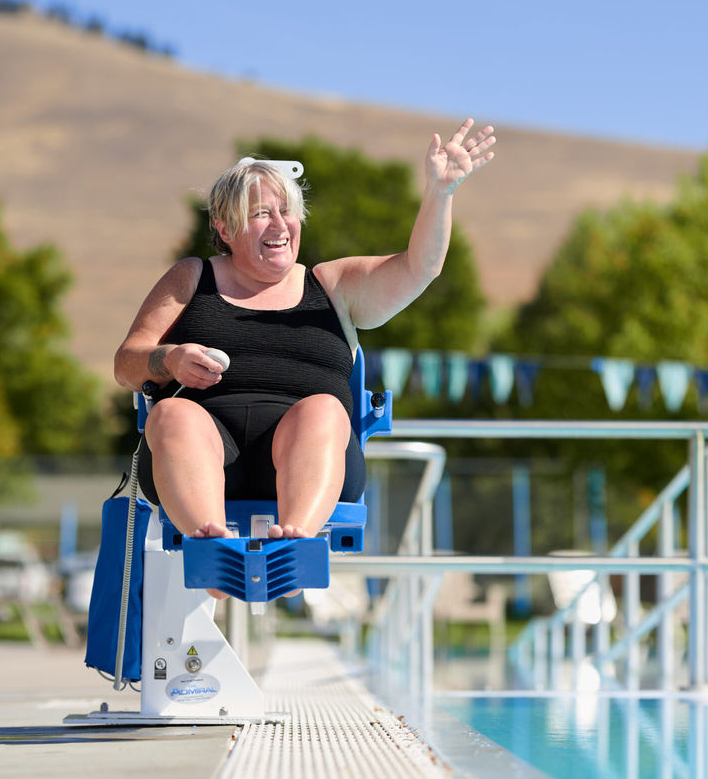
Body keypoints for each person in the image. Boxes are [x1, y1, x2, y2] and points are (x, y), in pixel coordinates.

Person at [115, 119, 495, 554]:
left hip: (310, 454)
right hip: (203, 451)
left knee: (323, 410)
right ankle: (211, 549)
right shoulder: (190, 277)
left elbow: (418, 268)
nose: (280, 225)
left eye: (287, 211)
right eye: (261, 214)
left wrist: (440, 193)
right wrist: (169, 359)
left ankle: (292, 548)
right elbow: (127, 363)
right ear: (223, 228)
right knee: (171, 415)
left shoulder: (332, 284)